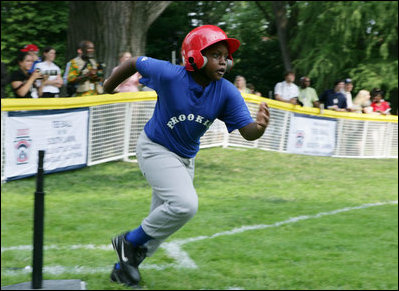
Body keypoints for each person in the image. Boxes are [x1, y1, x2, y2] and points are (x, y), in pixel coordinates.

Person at [103, 25, 270, 288]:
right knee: (185, 204)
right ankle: (128, 242)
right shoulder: (170, 75)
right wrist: (108, 86)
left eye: (226, 56)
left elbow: (247, 132)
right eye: (216, 54)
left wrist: (259, 128)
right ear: (195, 56)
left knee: (164, 218)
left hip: (185, 158)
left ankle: (123, 268)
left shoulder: (225, 91)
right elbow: (134, 62)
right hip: (155, 148)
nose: (223, 61)